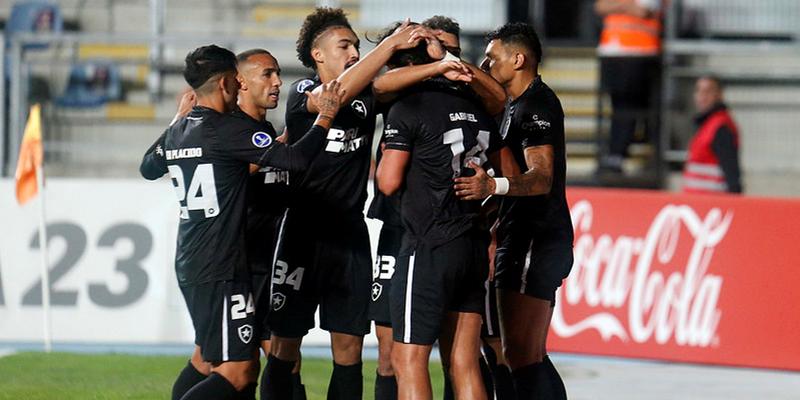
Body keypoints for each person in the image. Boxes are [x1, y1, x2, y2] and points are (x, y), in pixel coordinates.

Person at [139, 44, 345, 400]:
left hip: (198, 259)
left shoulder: (180, 129)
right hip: (220, 264)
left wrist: (177, 117)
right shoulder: (227, 129)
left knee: (218, 362)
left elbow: (148, 167)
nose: (239, 87)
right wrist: (325, 116)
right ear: (224, 84)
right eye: (236, 80)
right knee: (237, 371)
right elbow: (295, 159)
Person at [262, 8, 421, 400]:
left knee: (349, 351)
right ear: (318, 55)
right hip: (302, 232)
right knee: (285, 348)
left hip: (349, 237)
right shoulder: (302, 92)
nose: (353, 52)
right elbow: (332, 96)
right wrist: (387, 46)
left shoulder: (369, 95)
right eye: (344, 45)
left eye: (355, 45)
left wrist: (438, 67)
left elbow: (388, 82)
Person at [368, 16, 508, 400]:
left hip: (426, 244)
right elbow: (503, 170)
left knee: (409, 357)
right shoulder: (476, 106)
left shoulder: (408, 108)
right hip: (472, 242)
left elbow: (388, 181)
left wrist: (385, 160)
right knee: (463, 361)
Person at [457, 22, 574, 399]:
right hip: (531, 238)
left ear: (518, 58)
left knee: (521, 355)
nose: (487, 63)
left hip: (534, 238)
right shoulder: (515, 105)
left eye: (494, 57)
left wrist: (493, 187)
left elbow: (540, 178)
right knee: (527, 353)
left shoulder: (536, 105)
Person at [594, 0, 663, 174]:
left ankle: (621, 155)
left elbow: (645, 10)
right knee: (618, 106)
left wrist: (618, 6)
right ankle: (616, 154)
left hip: (640, 53)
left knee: (631, 107)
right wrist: (627, 7)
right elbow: (600, 7)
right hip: (612, 53)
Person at [683, 75, 742, 194]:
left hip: (712, 206)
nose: (702, 96)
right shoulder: (706, 125)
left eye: (708, 91)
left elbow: (733, 177)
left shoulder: (720, 128)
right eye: (698, 90)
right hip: (699, 205)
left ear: (719, 95)